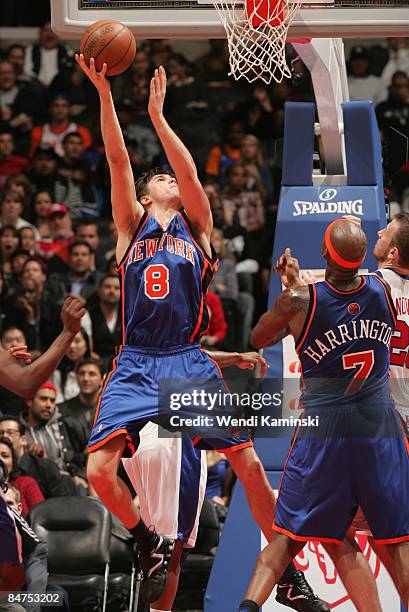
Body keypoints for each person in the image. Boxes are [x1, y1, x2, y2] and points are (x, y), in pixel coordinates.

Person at [77, 55, 328, 610]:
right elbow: (118, 159)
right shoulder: (129, 228)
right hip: (136, 361)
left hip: (187, 361)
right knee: (96, 470)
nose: (169, 179)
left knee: (249, 462)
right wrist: (103, 93)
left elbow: (189, 175)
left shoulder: (198, 230)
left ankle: (286, 573)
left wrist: (160, 118)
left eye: (170, 176)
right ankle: (146, 541)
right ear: (145, 198)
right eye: (158, 179)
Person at [239, 218, 409, 612]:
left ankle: (249, 606)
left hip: (326, 429)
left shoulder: (301, 299)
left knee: (286, 536)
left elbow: (260, 338)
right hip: (378, 425)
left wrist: (291, 290)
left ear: (323, 252)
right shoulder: (384, 288)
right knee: (394, 542)